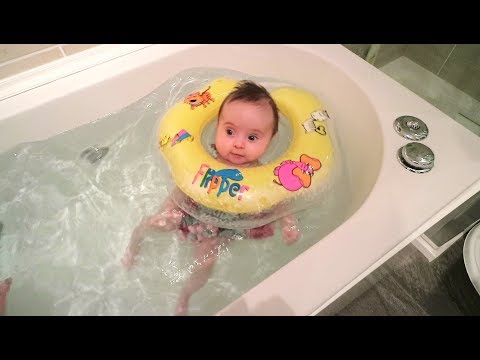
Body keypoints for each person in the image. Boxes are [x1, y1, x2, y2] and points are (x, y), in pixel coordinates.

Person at [121, 80, 301, 315]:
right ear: (216, 127)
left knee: (206, 262)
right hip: (191, 207)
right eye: (229, 132)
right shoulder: (207, 157)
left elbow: (278, 199)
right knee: (156, 222)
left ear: (271, 139)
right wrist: (169, 208)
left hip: (222, 225)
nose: (238, 144)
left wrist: (288, 221)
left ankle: (185, 294)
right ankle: (134, 246)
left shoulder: (262, 174)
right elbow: (185, 186)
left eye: (253, 138)